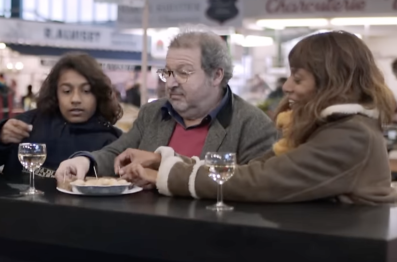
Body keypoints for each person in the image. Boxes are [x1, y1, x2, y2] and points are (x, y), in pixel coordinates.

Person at [120, 31, 397, 205]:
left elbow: (262, 179)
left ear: (332, 83)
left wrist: (164, 175)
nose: (286, 87)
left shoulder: (350, 136)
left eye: (297, 78)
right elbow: (248, 168)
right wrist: (164, 161)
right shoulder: (332, 128)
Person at [55, 29, 277, 184]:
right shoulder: (154, 113)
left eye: (183, 73)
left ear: (216, 75)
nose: (170, 82)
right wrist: (84, 162)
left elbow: (255, 186)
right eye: (168, 72)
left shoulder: (252, 126)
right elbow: (117, 152)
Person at [0, 52, 123, 178]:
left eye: (86, 91)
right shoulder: (27, 125)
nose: (76, 99)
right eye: (67, 91)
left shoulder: (111, 140)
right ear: (55, 93)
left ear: (98, 95)